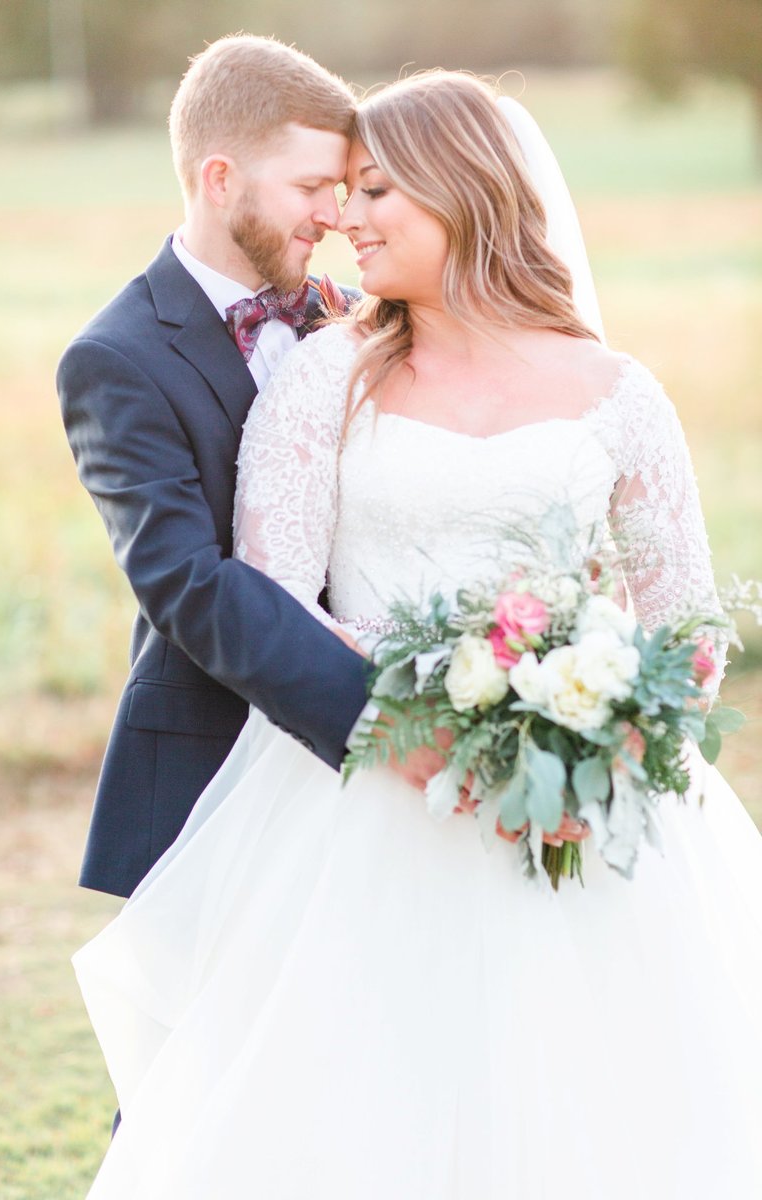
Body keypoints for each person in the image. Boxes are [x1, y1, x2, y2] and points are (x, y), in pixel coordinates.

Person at [74, 72, 762, 1198]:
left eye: (377, 189)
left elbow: (682, 615)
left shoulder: (619, 394)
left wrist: (616, 742)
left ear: (464, 192)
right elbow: (271, 597)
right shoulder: (321, 383)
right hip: (364, 793)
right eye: (341, 190)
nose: (347, 218)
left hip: (587, 803)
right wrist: (415, 719)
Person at [56, 35, 374, 901]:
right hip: (220, 765)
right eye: (311, 188)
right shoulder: (115, 358)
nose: (336, 217)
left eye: (340, 191)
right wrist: (378, 710)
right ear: (221, 178)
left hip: (379, 793)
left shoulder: (355, 318)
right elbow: (187, 583)